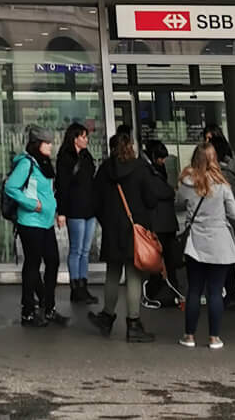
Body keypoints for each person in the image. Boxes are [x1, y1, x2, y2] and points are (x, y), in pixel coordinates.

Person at [173, 141, 235, 351]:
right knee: (215, 292)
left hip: (196, 242)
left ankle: (189, 335)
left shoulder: (186, 182)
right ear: (214, 159)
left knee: (194, 290)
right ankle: (214, 338)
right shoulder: (222, 184)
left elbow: (178, 202)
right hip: (219, 242)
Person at [89, 128, 155, 341]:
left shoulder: (104, 169)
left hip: (112, 229)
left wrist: (107, 221)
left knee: (112, 273)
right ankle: (133, 324)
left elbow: (95, 201)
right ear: (131, 146)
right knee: (134, 275)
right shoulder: (141, 168)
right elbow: (151, 199)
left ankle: (107, 316)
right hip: (134, 228)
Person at [3, 127, 65, 329]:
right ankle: (28, 311)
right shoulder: (26, 163)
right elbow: (11, 187)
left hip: (45, 223)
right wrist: (32, 204)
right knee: (32, 266)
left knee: (53, 262)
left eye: (50, 142)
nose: (50, 145)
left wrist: (54, 211)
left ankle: (49, 306)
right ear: (37, 144)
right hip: (30, 222)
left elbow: (49, 192)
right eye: (46, 142)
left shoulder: (45, 163)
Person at [201, 127, 235, 307]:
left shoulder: (218, 174)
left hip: (220, 220)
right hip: (233, 219)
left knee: (219, 258)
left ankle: (225, 291)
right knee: (233, 257)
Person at [53, 120, 99, 304]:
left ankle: (83, 285)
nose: (86, 139)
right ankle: (75, 287)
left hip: (89, 209)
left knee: (85, 250)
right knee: (76, 249)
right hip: (74, 209)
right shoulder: (65, 158)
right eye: (83, 136)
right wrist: (61, 211)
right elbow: (62, 187)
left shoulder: (87, 156)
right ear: (75, 138)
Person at [139, 138, 181, 308]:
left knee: (164, 258)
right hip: (160, 221)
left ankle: (165, 290)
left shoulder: (150, 168)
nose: (163, 161)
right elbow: (158, 192)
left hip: (162, 220)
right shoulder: (148, 170)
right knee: (163, 258)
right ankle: (164, 290)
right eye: (161, 158)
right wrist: (170, 192)